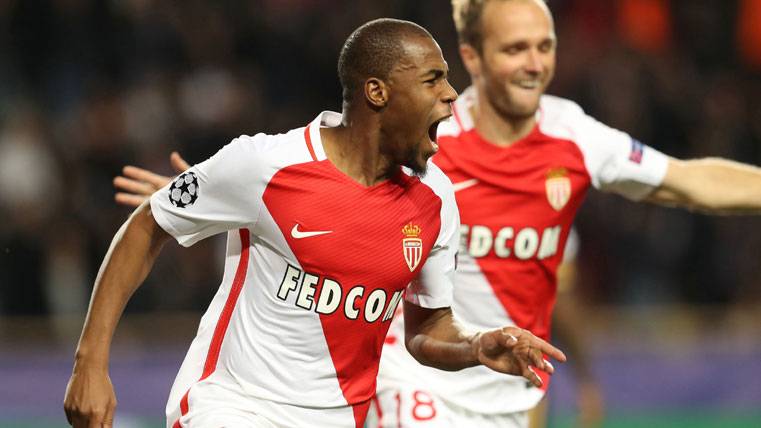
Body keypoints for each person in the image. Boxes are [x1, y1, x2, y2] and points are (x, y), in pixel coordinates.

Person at [112, 1, 761, 427]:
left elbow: (689, 181)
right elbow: (312, 189)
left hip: (503, 387)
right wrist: (197, 197)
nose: (533, 63)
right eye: (514, 50)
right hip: (406, 379)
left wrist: (575, 375)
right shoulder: (423, 139)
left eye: (544, 46)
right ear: (473, 59)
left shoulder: (578, 139)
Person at [63, 18, 567, 428]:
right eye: (434, 79)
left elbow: (427, 328)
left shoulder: (435, 201)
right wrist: (90, 362)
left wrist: (477, 344)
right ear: (377, 92)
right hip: (234, 406)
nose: (453, 95)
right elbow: (148, 223)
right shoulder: (265, 165)